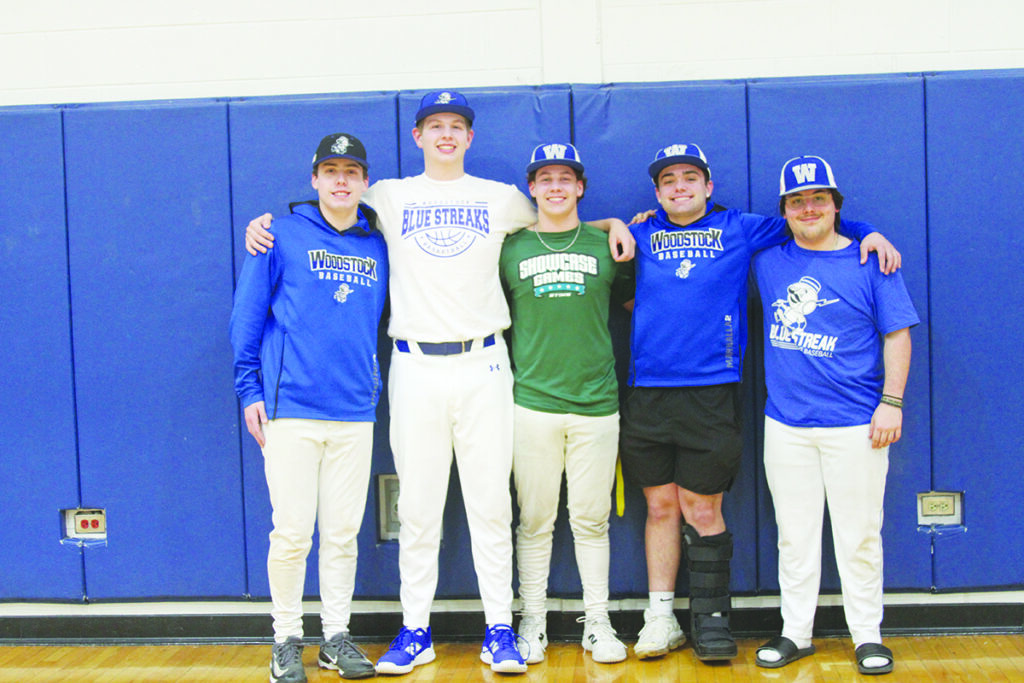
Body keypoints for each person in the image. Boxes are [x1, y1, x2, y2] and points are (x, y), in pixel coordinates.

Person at [243, 91, 633, 676]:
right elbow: (332, 201)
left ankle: (499, 629)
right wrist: (266, 222)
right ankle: (416, 630)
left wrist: (612, 221)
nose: (446, 135)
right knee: (419, 510)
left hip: (484, 364)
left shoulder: (500, 199)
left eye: (456, 126)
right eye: (435, 126)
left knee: (489, 506)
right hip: (415, 364)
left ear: (470, 138)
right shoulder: (389, 195)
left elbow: (559, 215)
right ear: (419, 136)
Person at [620, 144, 902, 662]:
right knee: (664, 507)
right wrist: (613, 223)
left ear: (709, 186)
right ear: (658, 193)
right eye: (668, 180)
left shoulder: (744, 229)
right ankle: (666, 619)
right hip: (654, 392)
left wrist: (868, 231)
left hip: (717, 392)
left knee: (707, 509)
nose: (680, 186)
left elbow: (815, 223)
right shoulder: (639, 232)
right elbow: (574, 224)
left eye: (690, 177)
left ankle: (714, 622)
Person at [229, 133, 387, 682]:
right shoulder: (279, 236)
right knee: (293, 531)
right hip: (289, 408)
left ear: (364, 182)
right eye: (331, 170)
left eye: (351, 171)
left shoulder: (379, 244)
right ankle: (285, 640)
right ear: (314, 179)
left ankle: (336, 637)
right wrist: (248, 390)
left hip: (353, 409)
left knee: (343, 532)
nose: (341, 180)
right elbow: (246, 319)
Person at [752, 156, 917, 676]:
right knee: (794, 535)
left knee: (860, 534)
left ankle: (867, 635)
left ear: (835, 205)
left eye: (818, 198)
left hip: (856, 424)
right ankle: (795, 633)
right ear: (785, 210)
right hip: (786, 425)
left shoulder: (873, 261)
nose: (808, 208)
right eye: (797, 201)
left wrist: (891, 401)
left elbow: (898, 334)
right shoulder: (767, 259)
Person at [499, 143, 633, 665]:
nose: (555, 187)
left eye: (565, 179)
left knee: (591, 519)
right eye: (545, 179)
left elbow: (632, 301)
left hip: (597, 402)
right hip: (531, 402)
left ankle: (596, 623)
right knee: (534, 519)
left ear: (580, 187)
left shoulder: (608, 246)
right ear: (532, 189)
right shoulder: (510, 247)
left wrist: (616, 223)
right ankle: (532, 621)